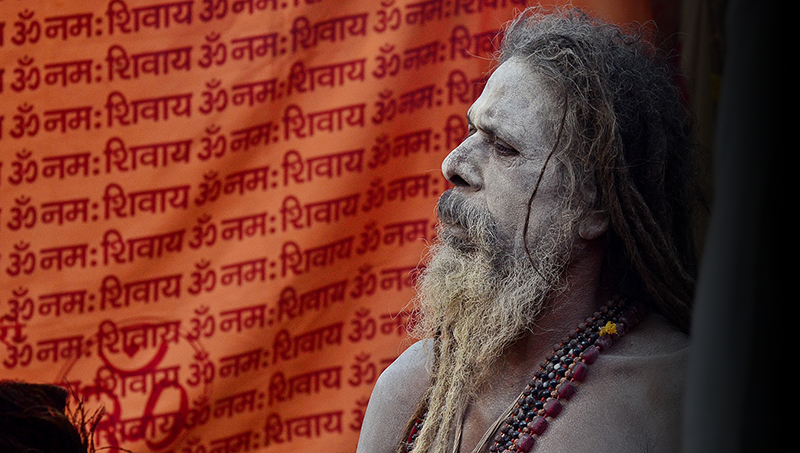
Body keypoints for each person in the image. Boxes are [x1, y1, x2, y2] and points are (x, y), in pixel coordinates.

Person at [357, 6, 702, 453]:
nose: (453, 164)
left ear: (593, 205)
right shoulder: (410, 390)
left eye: (503, 147)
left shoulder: (675, 398)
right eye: (470, 131)